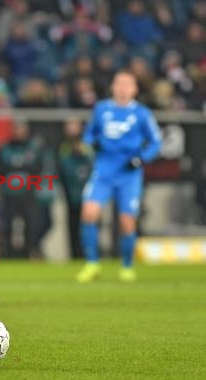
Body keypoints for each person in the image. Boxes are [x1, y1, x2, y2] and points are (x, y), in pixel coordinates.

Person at [77, 70, 162, 283]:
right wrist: (90, 144)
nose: (123, 88)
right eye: (119, 83)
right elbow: (89, 134)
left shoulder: (142, 114)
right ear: (113, 87)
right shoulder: (101, 109)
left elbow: (156, 142)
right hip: (103, 170)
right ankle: (92, 263)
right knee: (88, 213)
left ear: (135, 89)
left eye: (127, 84)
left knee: (126, 221)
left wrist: (142, 158)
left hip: (129, 174)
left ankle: (126, 266)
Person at [0, 122, 43, 259]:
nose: (19, 132)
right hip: (9, 193)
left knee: (30, 224)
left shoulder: (34, 148)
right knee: (8, 225)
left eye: (22, 129)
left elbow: (38, 168)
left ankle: (27, 252)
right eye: (16, 129)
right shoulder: (5, 148)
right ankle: (9, 254)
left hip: (27, 192)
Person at [58, 118, 93, 259]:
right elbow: (62, 170)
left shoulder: (88, 146)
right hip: (70, 194)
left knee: (88, 226)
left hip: (88, 195)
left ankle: (89, 254)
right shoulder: (64, 147)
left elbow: (92, 166)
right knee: (72, 227)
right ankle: (75, 255)